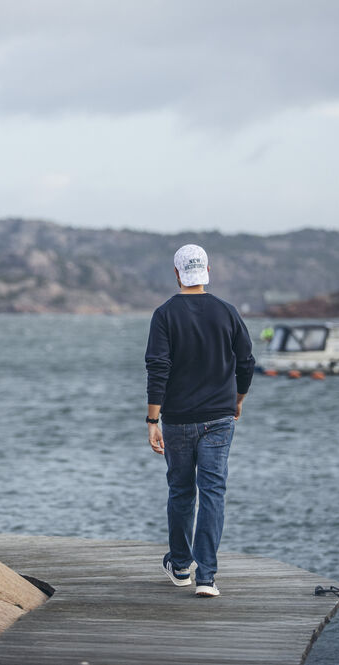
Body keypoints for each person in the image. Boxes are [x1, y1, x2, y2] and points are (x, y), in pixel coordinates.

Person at [145, 244, 255, 598]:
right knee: (213, 492)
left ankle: (180, 566)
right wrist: (238, 400)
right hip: (220, 417)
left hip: (177, 419)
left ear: (177, 274)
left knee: (181, 491)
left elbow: (158, 368)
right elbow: (247, 361)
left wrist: (152, 419)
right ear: (207, 271)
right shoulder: (227, 311)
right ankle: (207, 577)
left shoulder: (164, 314)